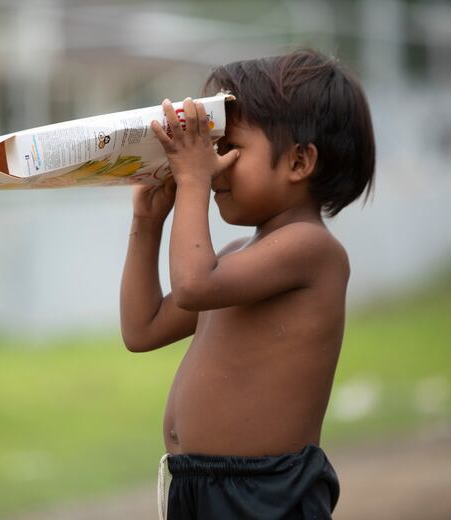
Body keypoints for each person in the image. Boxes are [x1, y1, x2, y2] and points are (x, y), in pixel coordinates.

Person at [119, 48, 376, 519]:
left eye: (226, 148)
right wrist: (146, 223)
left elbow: (195, 284)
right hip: (197, 487)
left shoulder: (312, 251)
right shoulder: (237, 259)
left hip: (264, 495)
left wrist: (192, 180)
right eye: (209, 151)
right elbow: (142, 329)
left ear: (299, 162)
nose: (213, 165)